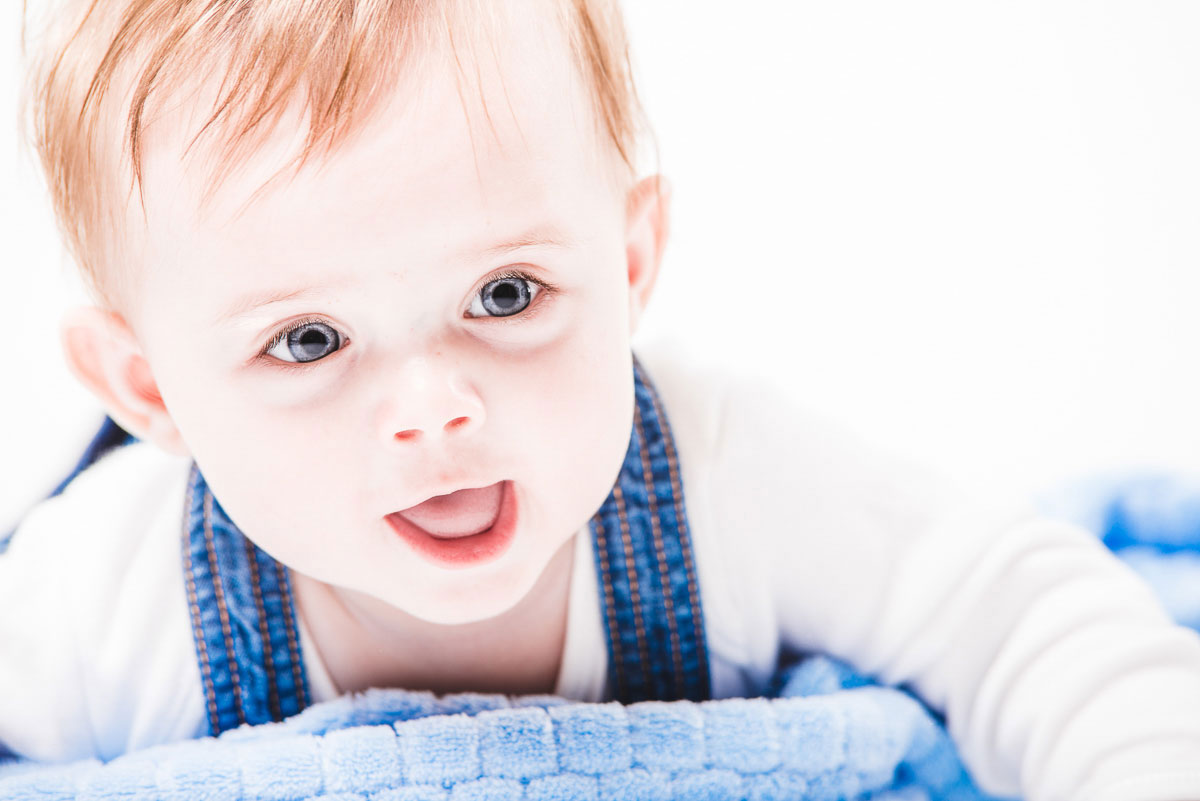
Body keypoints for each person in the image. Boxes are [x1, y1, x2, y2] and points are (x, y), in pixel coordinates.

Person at [3, 0, 1199, 797]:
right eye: (307, 341)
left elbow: (1018, 615)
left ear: (629, 269)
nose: (433, 408)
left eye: (508, 293)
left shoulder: (727, 480)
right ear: (149, 389)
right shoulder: (100, 599)